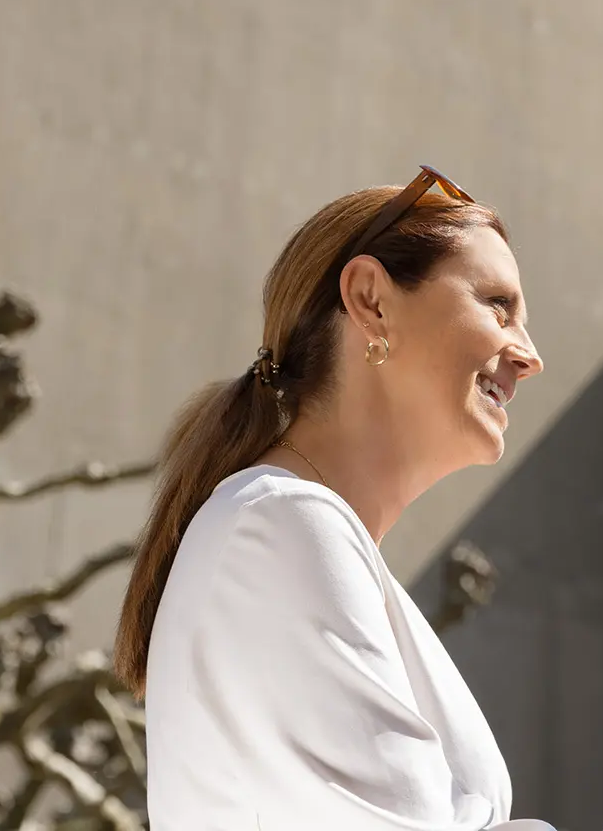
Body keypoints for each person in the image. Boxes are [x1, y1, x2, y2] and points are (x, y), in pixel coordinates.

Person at [116, 168, 551, 829]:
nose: (529, 355)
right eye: (498, 304)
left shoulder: (293, 530)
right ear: (372, 300)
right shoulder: (281, 526)